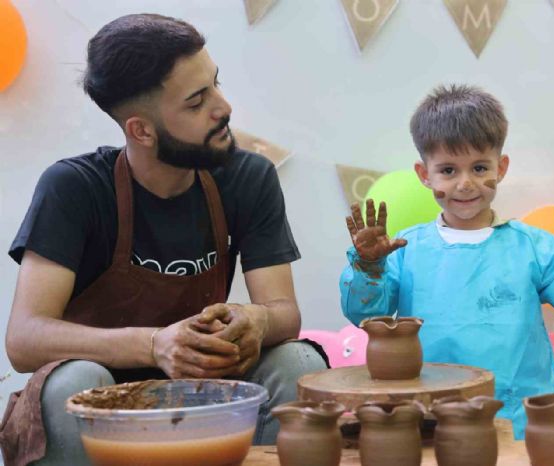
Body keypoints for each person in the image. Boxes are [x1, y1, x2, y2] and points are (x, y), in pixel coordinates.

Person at [0, 13, 326, 466]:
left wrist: (256, 321)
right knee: (75, 380)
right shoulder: (74, 187)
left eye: (216, 83)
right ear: (141, 130)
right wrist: (155, 344)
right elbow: (24, 339)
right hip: (107, 409)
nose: (224, 107)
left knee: (297, 363)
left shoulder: (248, 178)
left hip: (204, 396)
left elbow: (283, 314)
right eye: (197, 102)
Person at [339, 84, 554, 439]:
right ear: (423, 174)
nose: (466, 184)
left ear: (502, 166)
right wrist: (368, 267)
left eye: (479, 167)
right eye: (448, 170)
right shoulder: (404, 250)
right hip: (429, 422)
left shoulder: (532, 247)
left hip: (522, 423)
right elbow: (366, 315)